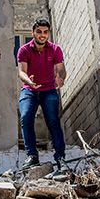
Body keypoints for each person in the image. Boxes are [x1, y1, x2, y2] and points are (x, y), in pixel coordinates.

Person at [17, 18, 69, 173]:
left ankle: (60, 158)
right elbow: (21, 72)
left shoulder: (55, 49)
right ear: (33, 32)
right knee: (26, 117)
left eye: (45, 32)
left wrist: (61, 76)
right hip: (29, 90)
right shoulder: (24, 50)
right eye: (39, 31)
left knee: (53, 121)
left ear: (48, 34)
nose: (42, 35)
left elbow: (61, 68)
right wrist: (29, 81)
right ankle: (32, 156)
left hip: (49, 90)